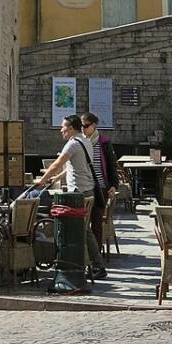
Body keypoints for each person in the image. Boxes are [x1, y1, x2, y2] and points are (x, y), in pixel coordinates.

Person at [32, 114, 107, 279]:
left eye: (63, 127)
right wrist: (57, 179)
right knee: (84, 231)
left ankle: (85, 265)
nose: (61, 130)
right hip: (88, 191)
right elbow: (74, 166)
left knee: (70, 228)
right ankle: (94, 265)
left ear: (71, 128)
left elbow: (57, 164)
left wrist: (42, 181)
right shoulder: (85, 141)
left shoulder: (72, 144)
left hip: (77, 194)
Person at [80, 112, 118, 252]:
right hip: (84, 187)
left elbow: (111, 165)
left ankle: (96, 253)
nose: (83, 128)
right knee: (82, 222)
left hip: (100, 187)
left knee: (96, 221)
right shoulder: (80, 142)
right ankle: (84, 252)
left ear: (94, 125)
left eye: (85, 126)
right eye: (81, 126)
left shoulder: (104, 141)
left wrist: (114, 185)